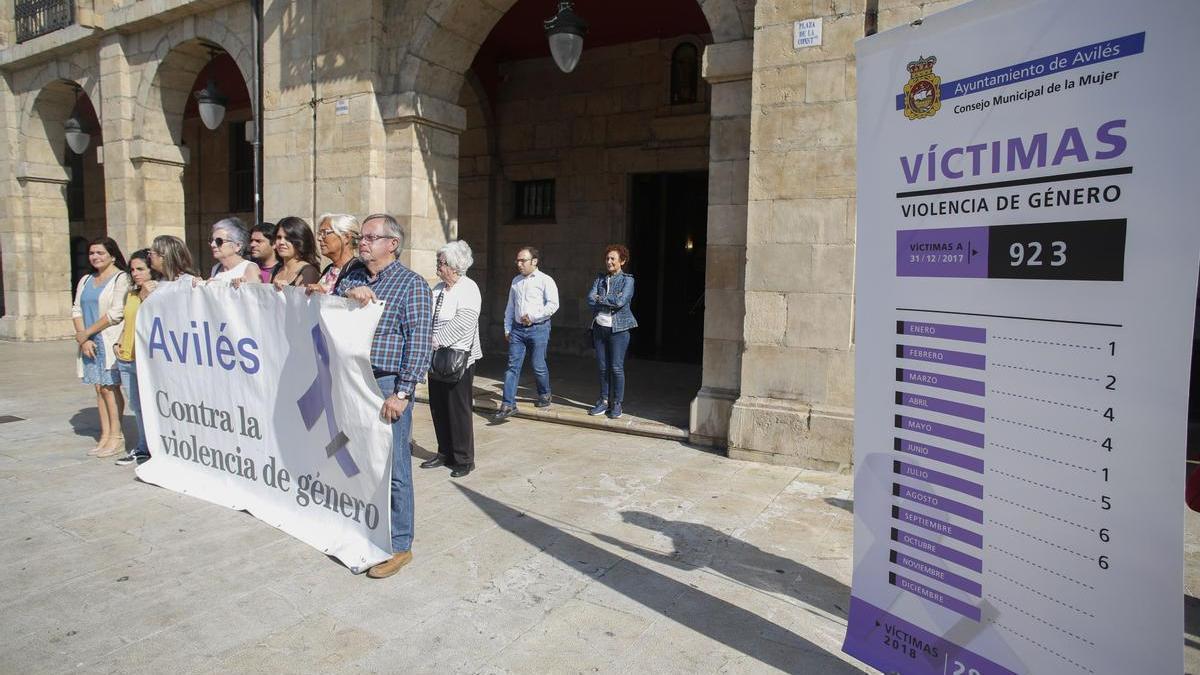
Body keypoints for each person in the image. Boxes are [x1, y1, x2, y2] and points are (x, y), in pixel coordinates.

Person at [337, 213, 433, 579]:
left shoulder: (412, 285)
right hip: (351, 381)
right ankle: (363, 527)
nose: (361, 242)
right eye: (360, 236)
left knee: (394, 469)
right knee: (355, 458)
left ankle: (399, 545)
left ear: (391, 244)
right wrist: (347, 293)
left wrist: (403, 392)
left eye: (370, 237)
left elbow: (420, 342)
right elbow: (326, 309)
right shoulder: (354, 276)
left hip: (387, 385)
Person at [419, 241, 482, 478]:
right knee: (438, 406)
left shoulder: (468, 287)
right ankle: (444, 452)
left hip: (458, 357)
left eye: (441, 262)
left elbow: (464, 322)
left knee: (458, 409)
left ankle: (464, 458)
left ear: (455, 266)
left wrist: (436, 340)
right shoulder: (437, 289)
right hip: (436, 356)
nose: (438, 265)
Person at [71, 237, 131, 458]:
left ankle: (117, 437)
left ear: (112, 255)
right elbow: (76, 308)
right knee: (98, 388)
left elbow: (116, 313)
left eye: (100, 253)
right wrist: (83, 338)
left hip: (106, 339)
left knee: (110, 387)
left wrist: (87, 333)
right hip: (88, 341)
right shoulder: (86, 279)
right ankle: (105, 434)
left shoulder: (120, 278)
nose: (95, 257)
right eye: (92, 253)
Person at [492, 246, 559, 422]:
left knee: (538, 365)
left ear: (534, 261)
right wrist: (507, 328)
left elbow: (553, 305)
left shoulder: (545, 280)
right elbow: (510, 307)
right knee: (512, 367)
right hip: (518, 330)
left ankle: (544, 394)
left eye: (523, 260)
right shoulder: (516, 281)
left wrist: (534, 317)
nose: (519, 264)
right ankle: (508, 404)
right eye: (518, 261)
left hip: (539, 328)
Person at [114, 249, 160, 466]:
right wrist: (119, 340)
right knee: (137, 406)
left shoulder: (159, 292)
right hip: (126, 356)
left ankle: (155, 446)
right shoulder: (131, 294)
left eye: (140, 269)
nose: (135, 273)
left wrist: (145, 298)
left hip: (146, 360)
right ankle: (142, 446)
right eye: (132, 269)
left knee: (151, 404)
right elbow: (128, 321)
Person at [586, 245, 637, 419]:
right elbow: (589, 299)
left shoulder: (628, 280)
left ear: (622, 261)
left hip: (619, 330)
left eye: (612, 259)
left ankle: (617, 403)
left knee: (616, 367)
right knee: (602, 367)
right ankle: (603, 400)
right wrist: (605, 299)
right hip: (599, 328)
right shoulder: (600, 279)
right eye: (607, 258)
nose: (609, 262)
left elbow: (621, 301)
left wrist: (600, 298)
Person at [314, 213, 365, 293]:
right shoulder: (329, 269)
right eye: (319, 234)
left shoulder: (357, 269)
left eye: (325, 233)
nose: (319, 238)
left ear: (346, 237)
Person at [271, 216, 321, 288]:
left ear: (300, 241)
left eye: (288, 238)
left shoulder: (308, 271)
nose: (281, 242)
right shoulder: (275, 269)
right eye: (279, 237)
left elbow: (301, 298)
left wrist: (287, 289)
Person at [207, 217, 260, 283]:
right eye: (211, 240)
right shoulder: (216, 268)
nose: (213, 245)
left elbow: (255, 292)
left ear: (238, 246)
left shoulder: (249, 268)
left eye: (219, 241)